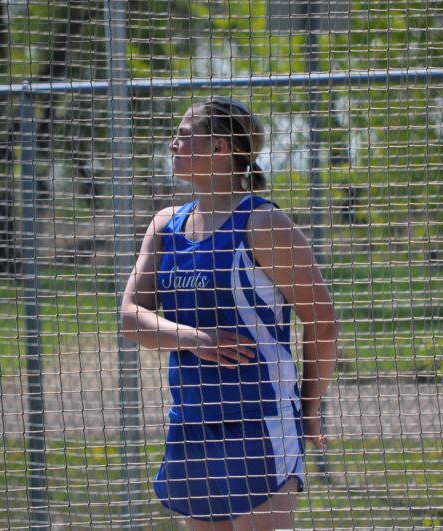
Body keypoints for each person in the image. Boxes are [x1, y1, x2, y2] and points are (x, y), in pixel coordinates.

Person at [121, 96, 338, 530]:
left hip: (258, 419)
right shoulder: (166, 224)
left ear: (220, 148)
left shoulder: (262, 224)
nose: (172, 145)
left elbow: (323, 322)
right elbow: (131, 318)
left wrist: (309, 411)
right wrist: (196, 340)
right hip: (192, 419)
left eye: (184, 136)